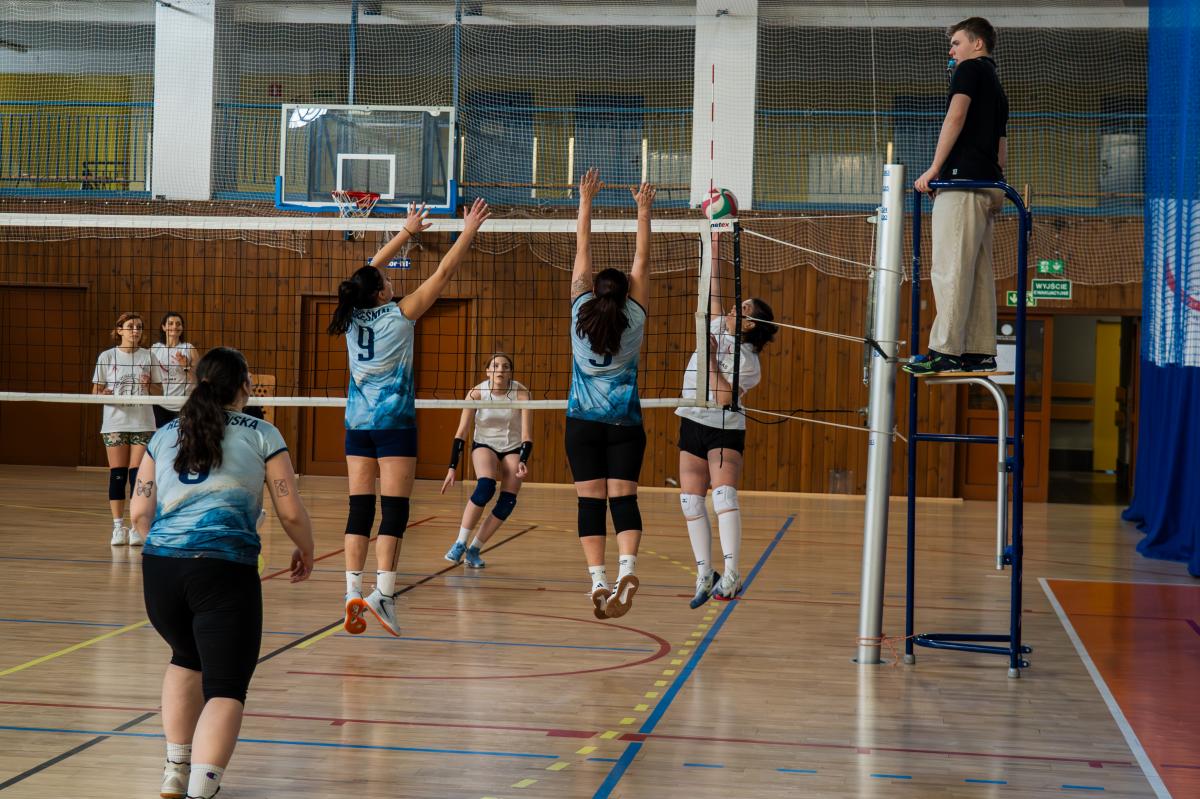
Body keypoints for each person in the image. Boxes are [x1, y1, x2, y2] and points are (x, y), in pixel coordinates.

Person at [129, 346, 315, 799]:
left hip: (161, 572)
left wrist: (170, 547)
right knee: (226, 687)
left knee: (185, 657)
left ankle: (175, 771)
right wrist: (306, 549)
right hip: (223, 571)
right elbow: (290, 510)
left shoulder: (164, 434)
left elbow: (139, 512)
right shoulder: (263, 433)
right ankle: (201, 788)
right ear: (244, 387)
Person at [328, 198, 491, 637]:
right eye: (387, 280)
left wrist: (406, 232)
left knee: (359, 510)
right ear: (382, 292)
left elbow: (365, 271)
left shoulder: (350, 317)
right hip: (394, 428)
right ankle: (383, 593)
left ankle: (351, 591)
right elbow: (444, 273)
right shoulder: (401, 315)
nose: (390, 279)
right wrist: (468, 230)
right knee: (395, 511)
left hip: (357, 427)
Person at [566, 168, 654, 620]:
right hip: (625, 425)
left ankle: (598, 580)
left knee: (590, 502)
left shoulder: (580, 311)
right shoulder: (634, 318)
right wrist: (643, 209)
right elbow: (642, 258)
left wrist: (586, 199)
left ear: (595, 292)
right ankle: (627, 570)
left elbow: (582, 247)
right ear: (624, 295)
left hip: (582, 424)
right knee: (623, 499)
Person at [906, 16, 1009, 376]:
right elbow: (1001, 145)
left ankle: (945, 351)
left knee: (949, 268)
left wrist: (935, 170)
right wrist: (997, 184)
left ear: (977, 43)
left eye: (956, 43)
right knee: (978, 271)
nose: (951, 51)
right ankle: (979, 350)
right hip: (988, 185)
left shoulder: (968, 70)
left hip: (962, 184)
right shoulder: (996, 85)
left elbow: (956, 116)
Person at [676, 253, 777, 608]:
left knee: (723, 497)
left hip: (722, 427)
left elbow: (722, 397)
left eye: (744, 307)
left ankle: (732, 574)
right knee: (690, 500)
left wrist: (710, 357)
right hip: (692, 417)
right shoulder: (719, 323)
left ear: (750, 324)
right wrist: (715, 245)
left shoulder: (749, 363)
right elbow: (714, 289)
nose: (737, 306)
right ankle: (705, 572)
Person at [441, 353, 533, 568]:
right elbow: (462, 432)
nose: (500, 370)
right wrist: (452, 467)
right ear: (488, 371)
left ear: (510, 372)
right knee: (485, 487)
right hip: (485, 444)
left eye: (505, 366)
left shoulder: (522, 393)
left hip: (512, 447)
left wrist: (523, 460)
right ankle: (460, 543)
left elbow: (527, 435)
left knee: (507, 502)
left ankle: (474, 549)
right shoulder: (476, 393)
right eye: (495, 366)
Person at [92, 311, 161, 546]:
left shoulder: (148, 356)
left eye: (139, 327)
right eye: (131, 326)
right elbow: (95, 392)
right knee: (118, 475)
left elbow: (160, 392)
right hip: (115, 422)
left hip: (142, 422)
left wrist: (149, 386)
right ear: (119, 330)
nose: (135, 331)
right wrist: (102, 394)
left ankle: (135, 527)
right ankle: (117, 527)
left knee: (137, 476)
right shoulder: (107, 356)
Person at [150, 311, 197, 429]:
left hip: (184, 405)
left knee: (183, 438)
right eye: (170, 323)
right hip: (160, 405)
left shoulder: (189, 348)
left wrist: (186, 366)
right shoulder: (155, 349)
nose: (175, 326)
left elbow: (198, 380)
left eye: (178, 324)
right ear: (163, 327)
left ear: (182, 328)